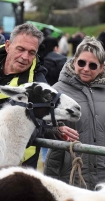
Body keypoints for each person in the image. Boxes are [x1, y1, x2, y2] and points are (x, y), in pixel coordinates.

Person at [0, 22, 78, 169]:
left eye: (31, 52)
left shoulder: (37, 83)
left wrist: (52, 128)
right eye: (20, 49)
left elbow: (39, 120)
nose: (25, 57)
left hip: (17, 162)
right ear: (8, 46)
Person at [44, 36, 105, 190]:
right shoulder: (58, 90)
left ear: (102, 67)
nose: (86, 68)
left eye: (92, 65)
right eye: (82, 63)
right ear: (74, 60)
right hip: (70, 176)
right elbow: (43, 124)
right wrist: (56, 130)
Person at [37, 36, 67, 165]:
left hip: (43, 106)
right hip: (60, 105)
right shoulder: (63, 61)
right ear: (56, 47)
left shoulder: (40, 61)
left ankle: (45, 163)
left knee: (45, 137)